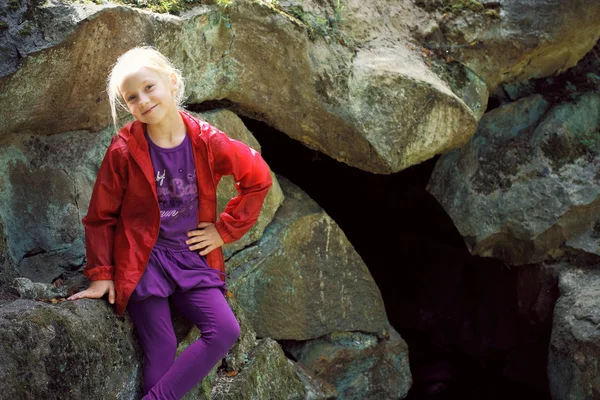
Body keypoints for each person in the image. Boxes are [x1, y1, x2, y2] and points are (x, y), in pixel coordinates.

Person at [67, 46, 272, 400]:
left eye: (149, 87)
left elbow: (258, 177)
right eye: (131, 97)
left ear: (172, 83)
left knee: (224, 329)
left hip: (190, 255)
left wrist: (224, 230)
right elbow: (101, 216)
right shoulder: (123, 150)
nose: (143, 100)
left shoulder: (208, 141)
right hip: (142, 259)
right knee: (162, 345)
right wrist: (102, 274)